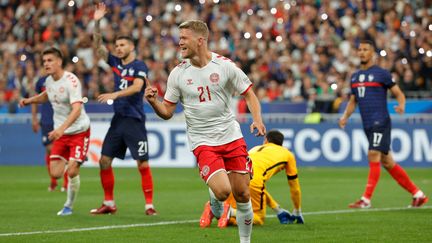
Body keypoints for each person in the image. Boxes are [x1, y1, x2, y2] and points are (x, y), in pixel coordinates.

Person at [145, 20, 266, 243]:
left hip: (231, 136)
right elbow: (167, 112)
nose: (179, 42)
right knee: (222, 191)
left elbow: (249, 93)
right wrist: (154, 102)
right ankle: (214, 199)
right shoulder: (177, 74)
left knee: (242, 194)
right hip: (203, 141)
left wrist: (257, 120)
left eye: (184, 38)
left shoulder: (225, 66)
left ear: (200, 40)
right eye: (179, 38)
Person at [339, 40, 428, 209]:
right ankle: (418, 195)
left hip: (381, 121)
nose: (361, 52)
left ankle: (366, 199)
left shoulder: (382, 74)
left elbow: (398, 93)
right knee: (388, 162)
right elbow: (353, 101)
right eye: (359, 49)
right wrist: (345, 117)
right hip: (367, 124)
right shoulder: (355, 77)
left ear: (372, 53)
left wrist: (401, 105)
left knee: (373, 153)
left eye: (365, 49)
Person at [90, 2, 157, 215]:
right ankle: (109, 203)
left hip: (134, 120)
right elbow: (98, 47)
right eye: (117, 45)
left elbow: (138, 87)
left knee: (142, 164)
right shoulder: (116, 64)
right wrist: (98, 21)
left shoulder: (139, 66)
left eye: (122, 45)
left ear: (131, 48)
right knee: (103, 160)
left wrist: (115, 94)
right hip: (118, 119)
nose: (118, 48)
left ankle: (149, 205)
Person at [20, 47, 91, 216]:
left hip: (79, 131)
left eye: (50, 60)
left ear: (59, 61)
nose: (46, 64)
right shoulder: (49, 82)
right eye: (44, 61)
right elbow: (47, 95)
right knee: (56, 173)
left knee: (72, 170)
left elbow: (77, 110)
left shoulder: (71, 81)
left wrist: (60, 129)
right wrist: (30, 101)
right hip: (62, 133)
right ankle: (77, 156)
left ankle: (68, 205)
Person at [200, 130, 304, 227]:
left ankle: (214, 208)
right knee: (258, 218)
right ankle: (229, 211)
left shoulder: (255, 148)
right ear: (282, 143)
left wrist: (278, 209)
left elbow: (261, 189)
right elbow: (294, 188)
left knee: (237, 213)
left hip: (235, 176)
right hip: (254, 180)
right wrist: (297, 211)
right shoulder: (288, 154)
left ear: (266, 140)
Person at [32, 75, 69, 192]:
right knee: (49, 149)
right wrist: (34, 118)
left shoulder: (65, 79)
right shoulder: (41, 81)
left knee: (63, 149)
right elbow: (35, 99)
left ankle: (66, 183)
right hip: (46, 120)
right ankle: (53, 181)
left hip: (61, 119)